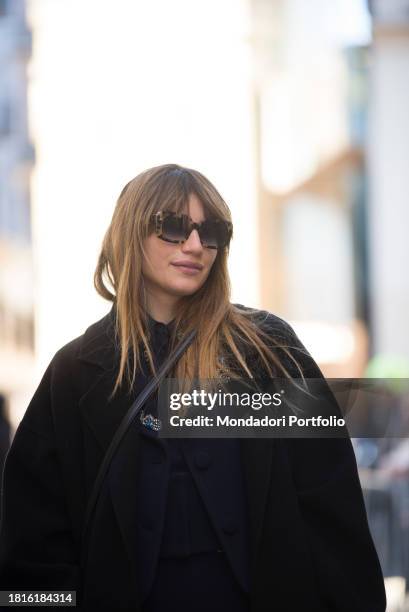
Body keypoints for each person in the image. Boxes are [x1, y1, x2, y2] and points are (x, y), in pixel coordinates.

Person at [0, 164, 386, 611]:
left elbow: (332, 510)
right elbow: (35, 545)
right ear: (131, 231)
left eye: (213, 230)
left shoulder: (269, 349)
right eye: (174, 226)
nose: (196, 245)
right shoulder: (76, 371)